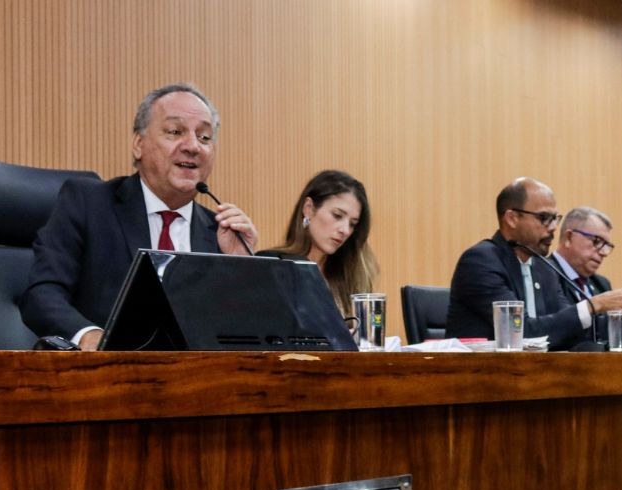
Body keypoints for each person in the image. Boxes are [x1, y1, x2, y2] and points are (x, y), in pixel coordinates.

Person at [21, 83, 259, 350]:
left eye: (204, 137)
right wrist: (90, 336)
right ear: (138, 144)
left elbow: (238, 335)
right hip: (104, 370)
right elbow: (41, 295)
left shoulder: (220, 233)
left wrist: (242, 270)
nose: (193, 146)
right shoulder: (88, 203)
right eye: (175, 132)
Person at [445, 178, 622, 351]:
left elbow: (567, 327)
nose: (553, 227)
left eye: (555, 219)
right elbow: (522, 334)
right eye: (544, 218)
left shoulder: (543, 268)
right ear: (512, 218)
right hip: (482, 379)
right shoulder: (481, 261)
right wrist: (593, 305)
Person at [264, 170, 376, 317]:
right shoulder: (273, 266)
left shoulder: (351, 275)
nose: (345, 230)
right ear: (309, 209)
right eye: (337, 215)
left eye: (352, 224)